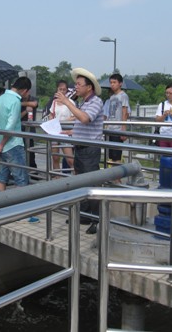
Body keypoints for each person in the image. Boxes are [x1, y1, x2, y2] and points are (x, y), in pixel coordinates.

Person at [54, 68, 104, 234]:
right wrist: (70, 132)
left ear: (89, 87)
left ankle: (97, 219)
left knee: (91, 183)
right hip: (81, 147)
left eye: (79, 84)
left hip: (90, 149)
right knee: (81, 182)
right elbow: (82, 124)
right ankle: (84, 215)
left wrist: (67, 102)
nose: (76, 87)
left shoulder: (96, 101)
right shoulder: (84, 102)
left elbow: (85, 118)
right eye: (76, 84)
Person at [0, 77, 33, 193]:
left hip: (1, 146)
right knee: (21, 180)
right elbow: (10, 128)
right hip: (13, 145)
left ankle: (1, 203)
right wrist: (1, 144)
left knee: (1, 178)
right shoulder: (15, 101)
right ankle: (21, 204)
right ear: (24, 90)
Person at [48, 80, 75, 173]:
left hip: (66, 132)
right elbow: (51, 114)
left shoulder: (70, 102)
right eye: (60, 89)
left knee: (70, 159)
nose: (62, 91)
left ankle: (76, 176)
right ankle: (57, 176)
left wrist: (63, 122)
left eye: (64, 89)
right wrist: (51, 122)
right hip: (55, 131)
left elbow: (74, 116)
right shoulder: (54, 102)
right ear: (57, 90)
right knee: (55, 157)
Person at [105, 74, 129, 165]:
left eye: (114, 82)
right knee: (111, 156)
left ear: (120, 84)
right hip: (110, 128)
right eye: (111, 82)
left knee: (117, 156)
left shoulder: (123, 96)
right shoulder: (112, 97)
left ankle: (117, 173)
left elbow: (125, 112)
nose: (112, 84)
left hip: (118, 129)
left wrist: (123, 129)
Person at [20, 92, 39, 169]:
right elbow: (17, 117)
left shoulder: (33, 98)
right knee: (21, 152)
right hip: (20, 130)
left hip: (30, 131)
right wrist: (26, 110)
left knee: (31, 153)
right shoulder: (18, 99)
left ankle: (32, 170)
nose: (24, 93)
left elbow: (34, 104)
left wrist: (21, 104)